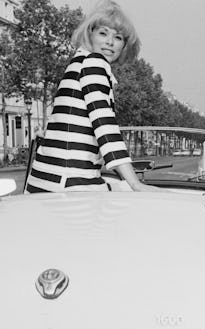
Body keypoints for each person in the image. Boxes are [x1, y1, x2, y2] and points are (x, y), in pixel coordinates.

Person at [25, 1, 157, 193]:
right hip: (70, 182)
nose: (110, 42)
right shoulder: (94, 64)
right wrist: (136, 183)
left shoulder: (77, 62)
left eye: (118, 37)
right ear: (90, 34)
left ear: (124, 45)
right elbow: (105, 127)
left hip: (41, 180)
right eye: (103, 33)